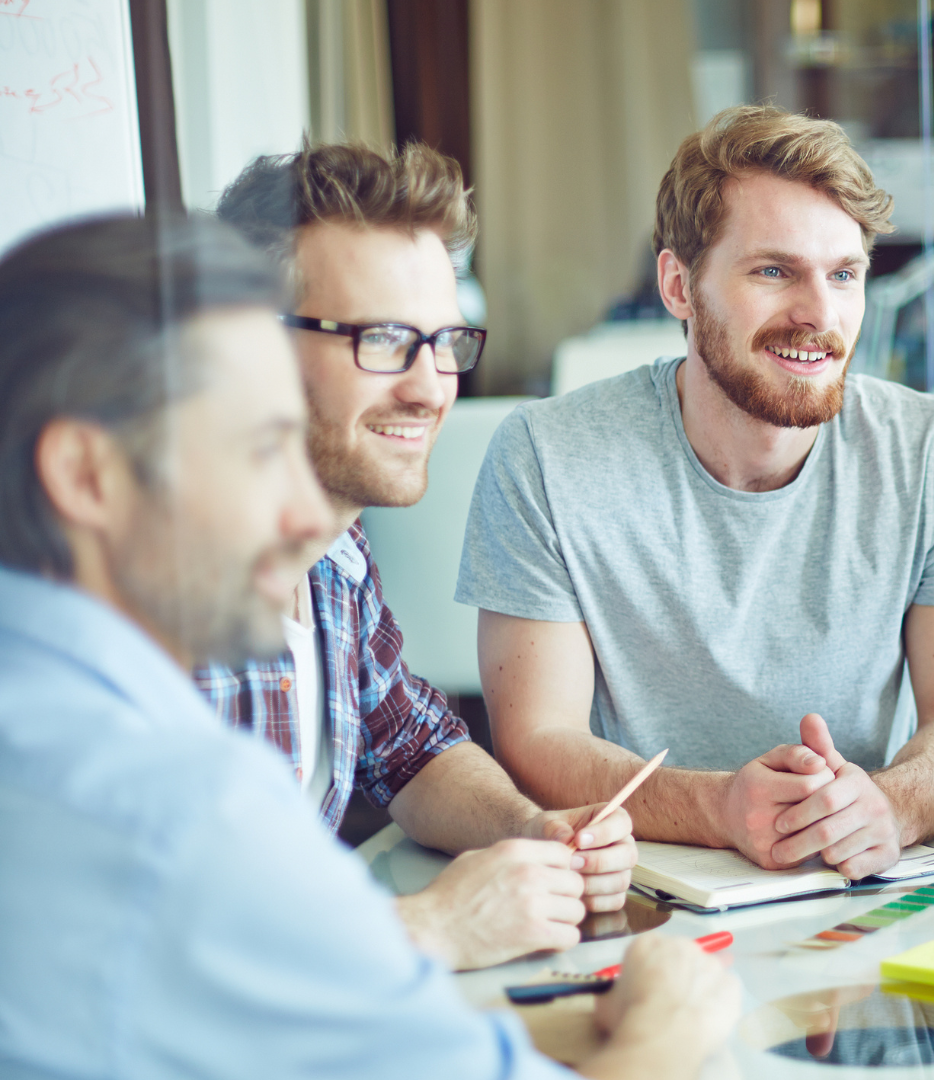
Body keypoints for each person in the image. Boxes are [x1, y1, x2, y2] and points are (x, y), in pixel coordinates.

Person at [0, 213, 739, 1079]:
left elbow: (414, 744)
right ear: (88, 476)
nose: (307, 517)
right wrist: (670, 1025)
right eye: (256, 451)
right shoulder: (184, 807)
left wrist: (530, 829)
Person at [457, 105, 934, 880]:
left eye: (844, 275)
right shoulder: (546, 456)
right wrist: (717, 808)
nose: (820, 315)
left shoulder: (933, 452)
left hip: (846, 883)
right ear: (678, 286)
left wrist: (892, 805)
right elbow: (535, 740)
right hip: (635, 885)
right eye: (773, 271)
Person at [192, 142, 637, 972]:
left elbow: (415, 750)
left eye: (446, 341)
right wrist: (432, 928)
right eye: (387, 339)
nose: (432, 387)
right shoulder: (158, 587)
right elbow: (157, 936)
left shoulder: (333, 557)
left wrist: (532, 829)